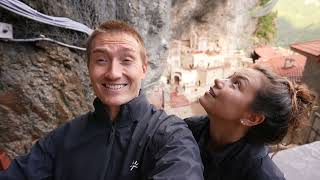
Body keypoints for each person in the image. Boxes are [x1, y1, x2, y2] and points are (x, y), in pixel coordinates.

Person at [0, 20, 204, 180]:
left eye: (126, 60)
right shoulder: (64, 138)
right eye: (101, 60)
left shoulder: (169, 135)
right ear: (88, 68)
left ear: (143, 68)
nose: (114, 73)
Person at [185, 65, 316, 180]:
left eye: (236, 84)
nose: (218, 81)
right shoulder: (187, 130)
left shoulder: (260, 175)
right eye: (230, 78)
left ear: (252, 118)